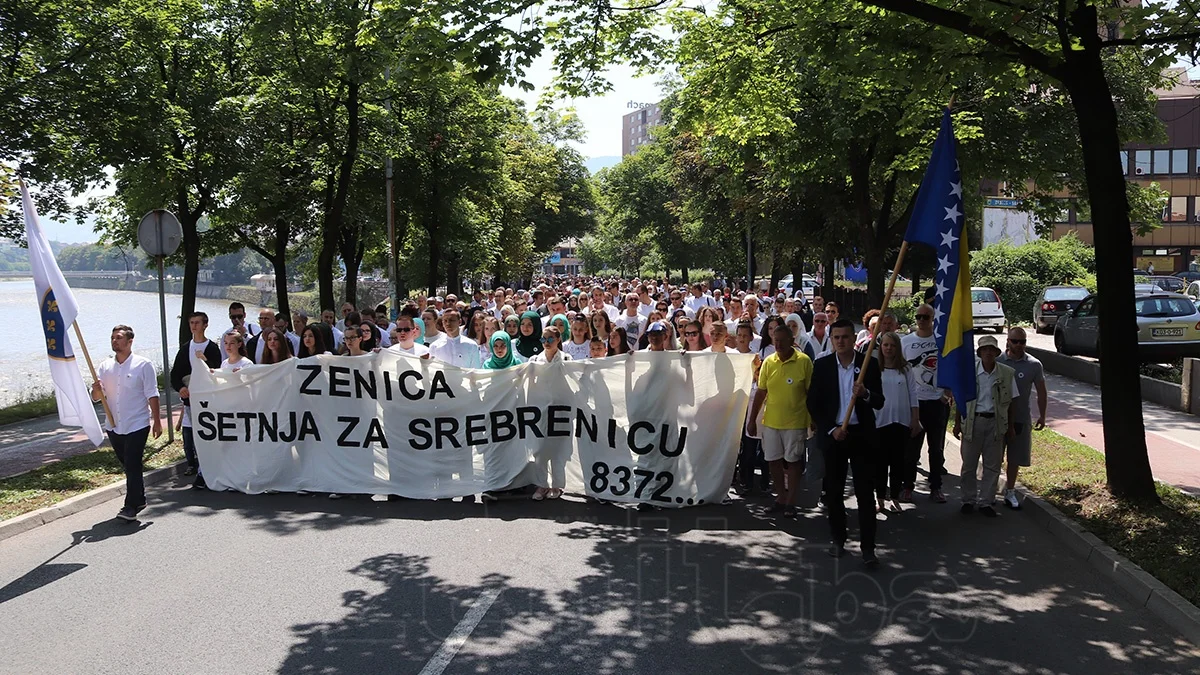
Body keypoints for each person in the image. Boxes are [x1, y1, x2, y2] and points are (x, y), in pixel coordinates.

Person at [807, 319, 885, 566]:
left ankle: (868, 548)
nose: (841, 341)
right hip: (835, 436)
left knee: (864, 493)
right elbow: (814, 404)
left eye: (845, 337)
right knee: (834, 491)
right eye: (836, 337)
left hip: (861, 435)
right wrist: (830, 429)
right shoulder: (822, 366)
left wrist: (866, 394)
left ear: (854, 339)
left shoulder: (868, 365)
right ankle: (838, 538)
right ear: (832, 340)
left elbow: (879, 401)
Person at [92, 325, 162, 521]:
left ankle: (130, 506)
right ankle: (139, 499)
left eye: (119, 337)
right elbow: (97, 397)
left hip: (137, 423)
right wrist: (96, 390)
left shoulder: (143, 364)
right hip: (114, 425)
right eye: (112, 337)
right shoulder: (105, 366)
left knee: (132, 463)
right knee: (129, 464)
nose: (114, 341)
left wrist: (157, 420)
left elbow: (152, 393)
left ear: (130, 341)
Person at [747, 322, 814, 517]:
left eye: (783, 341)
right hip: (771, 421)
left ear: (792, 341)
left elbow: (811, 393)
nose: (778, 345)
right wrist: (752, 420)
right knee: (772, 460)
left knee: (793, 461)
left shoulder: (804, 361)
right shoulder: (768, 361)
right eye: (776, 341)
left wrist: (813, 418)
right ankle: (781, 497)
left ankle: (791, 501)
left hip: (796, 421)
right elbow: (761, 392)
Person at [953, 335, 1018, 517]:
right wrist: (958, 423)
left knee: (993, 465)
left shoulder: (1006, 373)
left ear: (997, 353)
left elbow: (1011, 402)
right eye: (985, 350)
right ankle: (968, 500)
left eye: (992, 350)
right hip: (973, 421)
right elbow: (960, 399)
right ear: (979, 352)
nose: (988, 353)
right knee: (969, 465)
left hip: (995, 423)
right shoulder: (969, 372)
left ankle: (987, 502)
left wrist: (1010, 426)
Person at [901, 304, 950, 503]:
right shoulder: (906, 341)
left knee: (935, 448)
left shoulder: (942, 341)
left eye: (926, 317)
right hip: (914, 403)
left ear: (933, 319)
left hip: (937, 402)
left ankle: (936, 487)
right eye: (919, 316)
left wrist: (947, 391)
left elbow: (951, 367)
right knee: (911, 448)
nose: (922, 320)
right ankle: (907, 486)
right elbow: (900, 370)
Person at [170, 311, 222, 484]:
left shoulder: (213, 348)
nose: (194, 326)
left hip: (207, 401)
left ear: (205, 325)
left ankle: (206, 464)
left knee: (204, 432)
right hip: (189, 399)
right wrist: (181, 388)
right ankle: (191, 463)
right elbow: (175, 373)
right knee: (188, 433)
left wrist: (204, 360)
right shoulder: (185, 348)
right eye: (191, 322)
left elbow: (217, 371)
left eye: (197, 323)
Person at [998, 327, 1046, 510]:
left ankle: (1010, 491)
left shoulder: (1034, 365)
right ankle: (989, 491)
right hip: (999, 418)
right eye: (1015, 341)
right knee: (995, 456)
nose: (1019, 345)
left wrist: (1042, 415)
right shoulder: (998, 361)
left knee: (1015, 457)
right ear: (1008, 341)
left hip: (1020, 417)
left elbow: (1041, 391)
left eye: (1022, 342)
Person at [875, 331, 920, 514]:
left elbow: (913, 394)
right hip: (880, 422)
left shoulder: (906, 368)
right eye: (885, 345)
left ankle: (894, 496)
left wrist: (915, 418)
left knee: (898, 462)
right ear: (881, 347)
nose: (888, 348)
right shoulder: (875, 368)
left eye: (892, 345)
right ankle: (879, 498)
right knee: (879, 463)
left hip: (901, 421)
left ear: (897, 348)